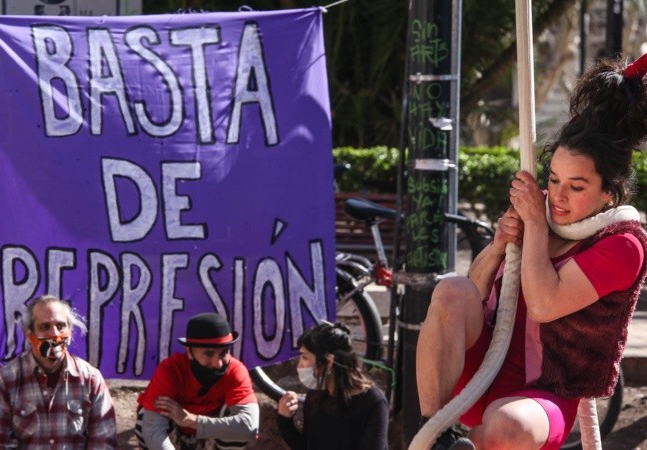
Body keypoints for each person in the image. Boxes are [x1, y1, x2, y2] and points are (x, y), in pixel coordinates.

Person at [416, 53, 647, 450]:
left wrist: (536, 226)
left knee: (506, 428)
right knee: (451, 290)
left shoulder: (623, 243)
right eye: (553, 179)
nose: (557, 195)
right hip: (480, 366)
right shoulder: (534, 209)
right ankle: (436, 435)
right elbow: (473, 293)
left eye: (576, 187)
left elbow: (544, 303)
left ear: (608, 193)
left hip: (546, 392)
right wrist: (499, 247)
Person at [0, 294, 117, 448]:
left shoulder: (91, 379)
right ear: (30, 335)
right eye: (45, 327)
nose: (55, 334)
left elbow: (103, 441)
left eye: (61, 326)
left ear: (71, 333)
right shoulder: (4, 381)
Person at [135, 312, 259, 450]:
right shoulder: (170, 370)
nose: (218, 364)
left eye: (224, 353)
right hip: (175, 437)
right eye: (208, 354)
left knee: (235, 419)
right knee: (144, 418)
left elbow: (249, 427)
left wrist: (193, 421)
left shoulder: (236, 371)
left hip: (213, 437)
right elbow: (152, 429)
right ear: (189, 351)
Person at [276, 322, 389, 450]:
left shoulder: (372, 402)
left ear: (328, 361)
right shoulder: (315, 397)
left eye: (305, 358)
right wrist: (285, 420)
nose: (300, 365)